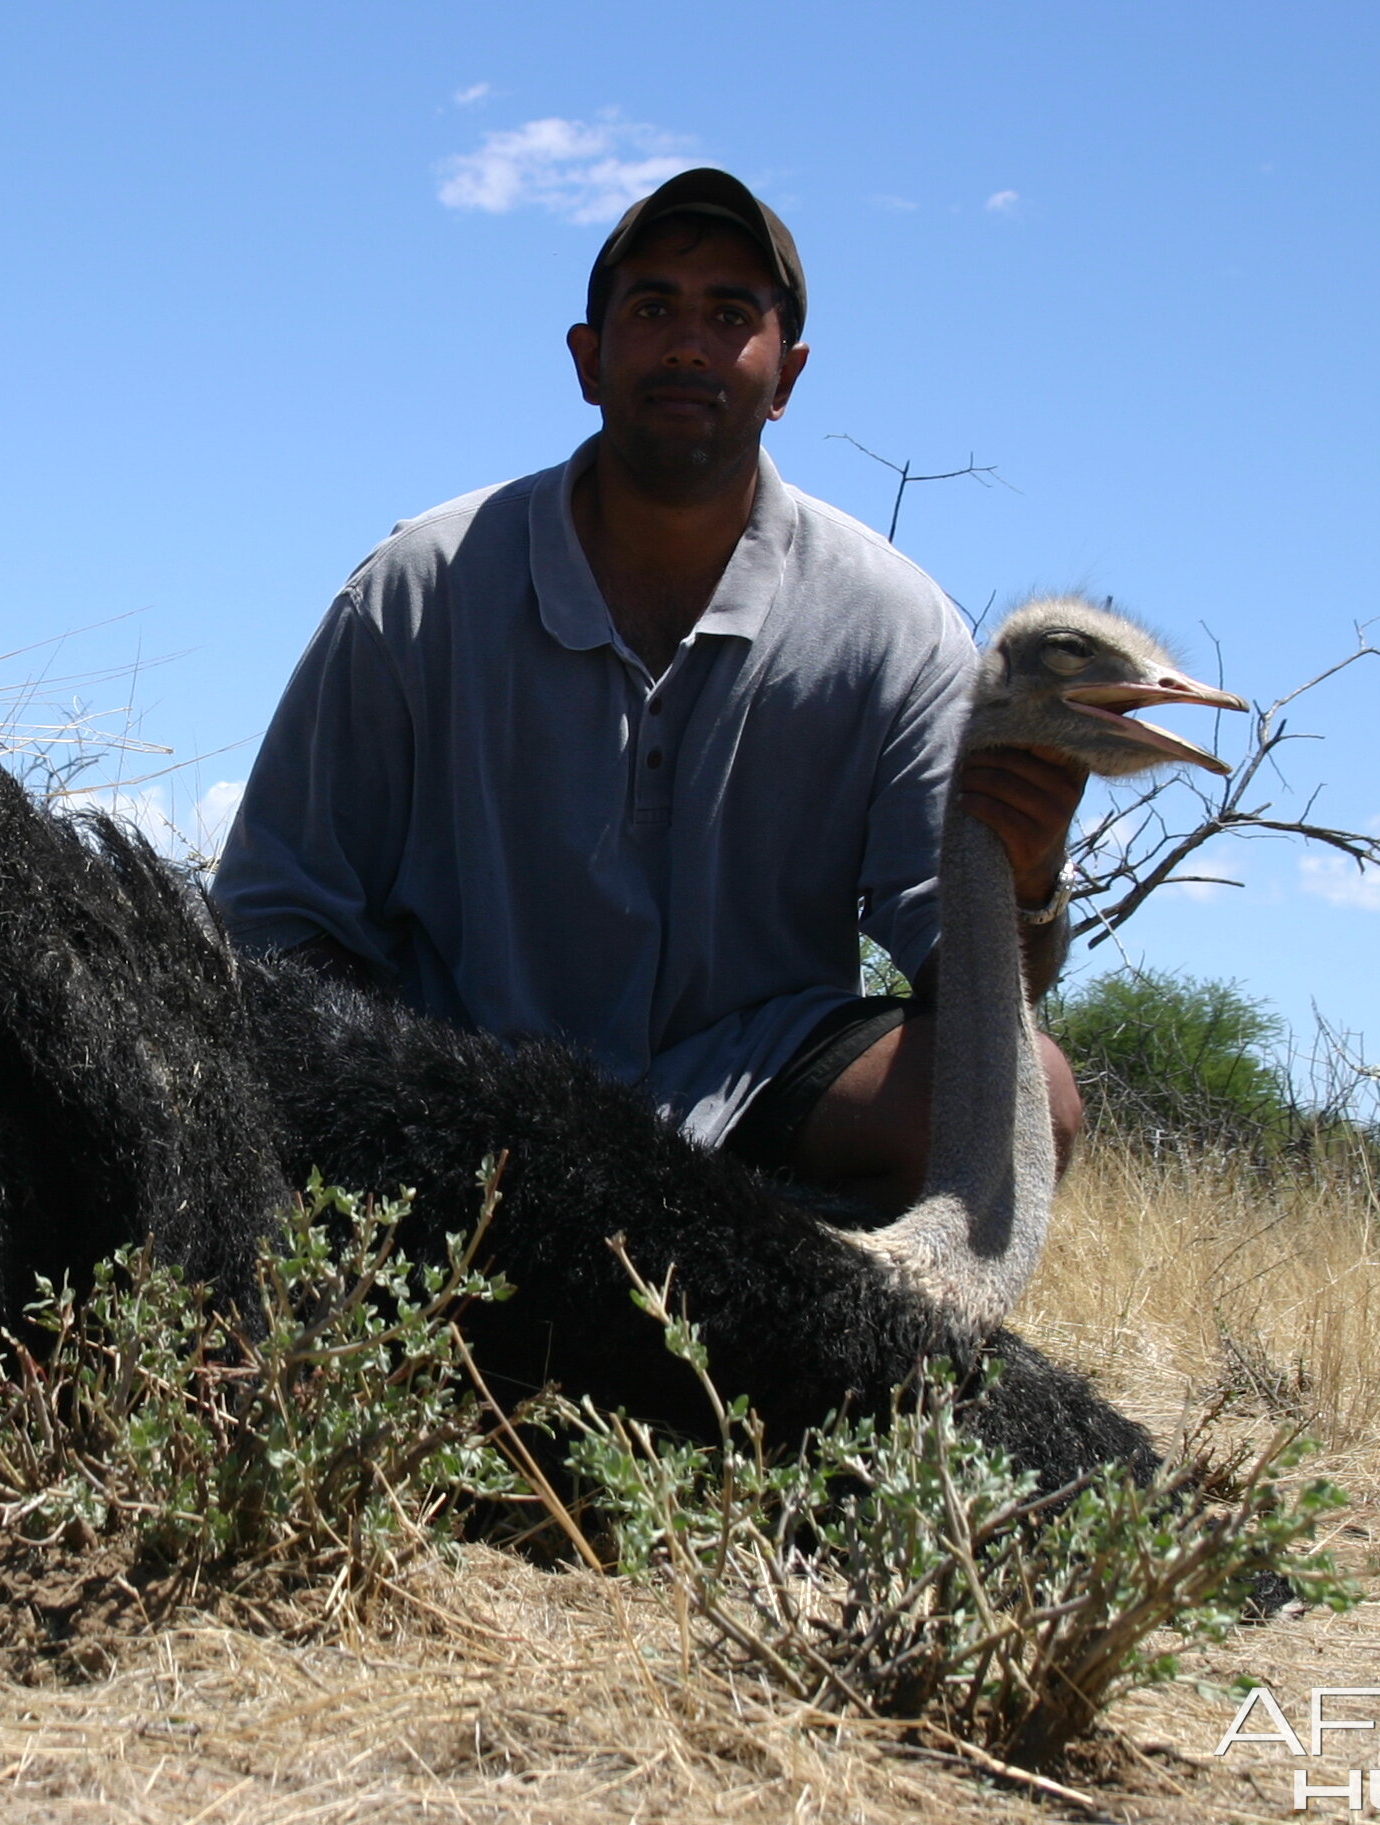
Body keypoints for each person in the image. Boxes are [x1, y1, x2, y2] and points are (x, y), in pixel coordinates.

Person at [208, 168, 1086, 1219]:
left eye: (730, 313)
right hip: (452, 1095)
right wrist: (418, 1096)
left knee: (1032, 1095)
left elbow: (975, 983)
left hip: (739, 1100)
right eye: (654, 307)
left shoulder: (892, 626)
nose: (688, 343)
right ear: (588, 358)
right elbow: (271, 920)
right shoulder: (418, 588)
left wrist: (1022, 889)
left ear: (788, 373)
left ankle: (759, 1328)